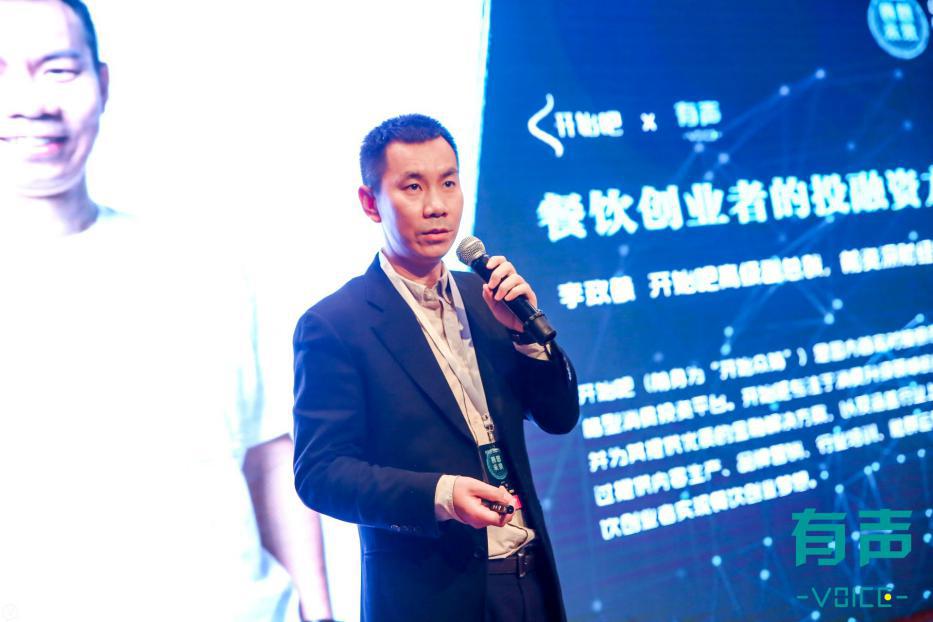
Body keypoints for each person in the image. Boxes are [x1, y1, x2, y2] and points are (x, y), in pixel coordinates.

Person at [0, 1, 333, 620]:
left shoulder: (203, 265)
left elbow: (267, 458)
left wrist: (320, 614)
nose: (30, 102)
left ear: (102, 83)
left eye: (58, 70)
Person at [292, 114, 580, 622]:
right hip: (431, 595)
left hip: (529, 577)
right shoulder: (336, 324)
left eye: (448, 183)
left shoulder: (487, 297)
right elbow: (320, 474)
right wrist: (441, 495)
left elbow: (559, 417)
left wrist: (524, 335)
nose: (437, 206)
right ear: (370, 203)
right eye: (413, 187)